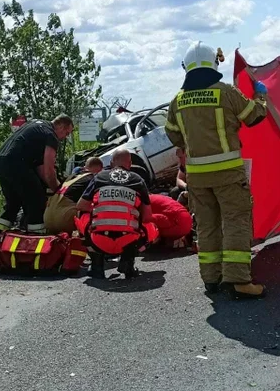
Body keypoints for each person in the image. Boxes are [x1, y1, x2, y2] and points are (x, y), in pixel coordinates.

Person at [164, 42, 268, 299]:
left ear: (186, 68)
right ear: (214, 63)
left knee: (207, 225)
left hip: (197, 178)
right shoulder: (225, 92)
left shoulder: (177, 101)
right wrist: (262, 96)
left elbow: (173, 135)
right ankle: (238, 281)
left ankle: (212, 279)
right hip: (228, 175)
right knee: (235, 222)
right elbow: (254, 116)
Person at [75, 148, 156, 279]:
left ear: (112, 163)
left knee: (81, 215)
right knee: (150, 226)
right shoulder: (138, 180)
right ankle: (128, 261)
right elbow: (147, 217)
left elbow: (81, 205)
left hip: (99, 240)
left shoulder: (99, 177)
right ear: (129, 164)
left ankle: (97, 266)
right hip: (128, 240)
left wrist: (100, 210)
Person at [0, 114, 74, 235]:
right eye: (67, 133)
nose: (65, 137)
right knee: (37, 202)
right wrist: (59, 192)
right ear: (61, 126)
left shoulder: (35, 124)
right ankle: (36, 237)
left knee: (13, 203)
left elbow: (41, 168)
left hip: (1, 162)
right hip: (18, 165)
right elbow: (48, 172)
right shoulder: (51, 135)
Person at [44, 156, 103, 234]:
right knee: (93, 207)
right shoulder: (93, 178)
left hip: (47, 218)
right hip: (65, 219)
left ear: (85, 167)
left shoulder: (72, 177)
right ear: (100, 169)